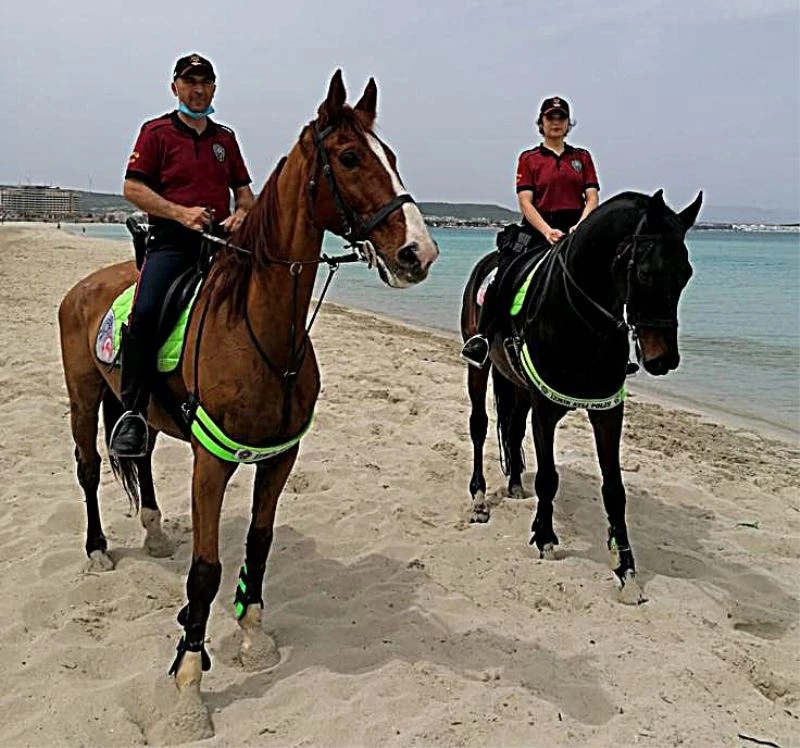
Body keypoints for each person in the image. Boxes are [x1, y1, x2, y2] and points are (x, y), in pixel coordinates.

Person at [109, 53, 255, 457]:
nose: (198, 90)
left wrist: (242, 214)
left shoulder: (225, 139)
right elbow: (132, 189)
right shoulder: (155, 132)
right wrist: (180, 213)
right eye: (190, 82)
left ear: (214, 88)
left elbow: (245, 195)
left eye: (205, 83)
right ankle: (133, 412)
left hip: (220, 244)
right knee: (145, 312)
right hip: (172, 244)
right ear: (175, 87)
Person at [461, 96, 600, 368]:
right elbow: (525, 202)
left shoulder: (582, 158)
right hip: (538, 228)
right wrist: (547, 231)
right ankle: (483, 339)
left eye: (561, 118)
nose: (556, 123)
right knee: (502, 276)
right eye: (551, 118)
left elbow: (592, 197)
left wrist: (580, 226)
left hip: (576, 229)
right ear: (541, 123)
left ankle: (616, 348)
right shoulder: (529, 159)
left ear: (568, 124)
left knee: (610, 277)